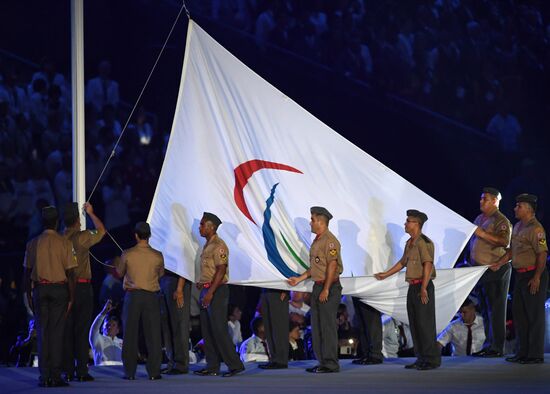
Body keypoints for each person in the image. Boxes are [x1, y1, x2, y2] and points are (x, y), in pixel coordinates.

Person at [375, 209, 441, 370]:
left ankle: (431, 359)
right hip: (413, 286)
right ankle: (421, 358)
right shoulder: (410, 243)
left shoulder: (424, 242)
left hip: (422, 285)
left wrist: (424, 287)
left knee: (425, 324)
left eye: (408, 221)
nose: (405, 224)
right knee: (415, 323)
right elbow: (402, 262)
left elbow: (428, 264)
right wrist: (386, 274)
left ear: (417, 224)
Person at [23, 206, 77, 387]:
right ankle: (55, 374)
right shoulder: (64, 243)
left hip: (40, 289)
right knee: (57, 332)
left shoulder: (32, 243)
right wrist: (71, 297)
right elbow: (71, 273)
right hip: (59, 290)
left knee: (43, 333)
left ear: (42, 222)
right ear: (57, 222)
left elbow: (26, 272)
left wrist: (28, 294)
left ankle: (44, 376)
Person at [493, 194, 548, 364]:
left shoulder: (536, 229)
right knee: (520, 315)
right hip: (521, 275)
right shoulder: (517, 226)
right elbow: (511, 252)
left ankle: (535, 354)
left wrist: (537, 277)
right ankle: (522, 352)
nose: (515, 208)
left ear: (529, 209)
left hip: (533, 274)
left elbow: (542, 254)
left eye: (519, 206)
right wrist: (499, 263)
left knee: (534, 316)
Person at [288, 206, 343, 373]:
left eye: (312, 219)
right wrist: (299, 278)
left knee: (327, 327)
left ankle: (331, 363)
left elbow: (332, 266)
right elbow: (316, 268)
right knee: (317, 326)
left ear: (320, 221)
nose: (310, 223)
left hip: (329, 287)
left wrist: (326, 289)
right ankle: (322, 362)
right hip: (318, 286)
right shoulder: (318, 240)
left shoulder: (330, 241)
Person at [194, 212, 244, 377]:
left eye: (202, 224)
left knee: (219, 329)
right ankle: (212, 365)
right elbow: (211, 271)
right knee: (207, 330)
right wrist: (203, 284)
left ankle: (235, 365)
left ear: (211, 227)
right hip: (207, 289)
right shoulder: (207, 245)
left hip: (216, 291)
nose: (200, 227)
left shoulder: (219, 245)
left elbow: (221, 270)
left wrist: (211, 292)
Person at [62, 202, 106, 381]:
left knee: (67, 330)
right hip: (81, 287)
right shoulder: (82, 237)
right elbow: (102, 230)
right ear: (78, 220)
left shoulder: (59, 239)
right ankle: (81, 370)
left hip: (64, 287)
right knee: (81, 330)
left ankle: (67, 369)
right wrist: (91, 213)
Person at [116, 222, 164, 380]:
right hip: (151, 297)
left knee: (130, 334)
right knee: (153, 335)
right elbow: (161, 274)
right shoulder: (158, 255)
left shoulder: (127, 254)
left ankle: (129, 372)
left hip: (133, 296)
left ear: (136, 235)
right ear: (149, 236)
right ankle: (154, 372)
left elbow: (120, 272)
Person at [469, 187, 511, 358]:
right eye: (481, 198)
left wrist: (482, 234)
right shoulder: (479, 218)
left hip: (496, 269)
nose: (481, 201)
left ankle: (497, 347)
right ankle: (489, 344)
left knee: (496, 309)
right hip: (481, 270)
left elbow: (504, 241)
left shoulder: (501, 220)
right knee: (486, 310)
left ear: (495, 201)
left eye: (485, 199)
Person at [159, 271, 192, 375]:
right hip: (163, 279)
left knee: (179, 323)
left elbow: (184, 264)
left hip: (177, 281)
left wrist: (179, 288)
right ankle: (171, 362)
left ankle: (181, 364)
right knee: (167, 324)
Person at [258, 288, 289, 369]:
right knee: (269, 328)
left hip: (278, 291)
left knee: (278, 327)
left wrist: (286, 289)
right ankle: (274, 359)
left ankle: (281, 360)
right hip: (265, 289)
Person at [89, 299, 123, 366]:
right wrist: (103, 312)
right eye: (107, 325)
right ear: (102, 328)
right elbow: (94, 329)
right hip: (104, 374)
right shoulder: (98, 340)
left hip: (119, 374)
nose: (110, 327)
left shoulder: (123, 342)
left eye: (113, 325)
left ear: (118, 330)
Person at [351, 298, 383, 365]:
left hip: (369, 293)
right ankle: (366, 354)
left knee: (372, 323)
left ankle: (375, 355)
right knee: (362, 325)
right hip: (356, 293)